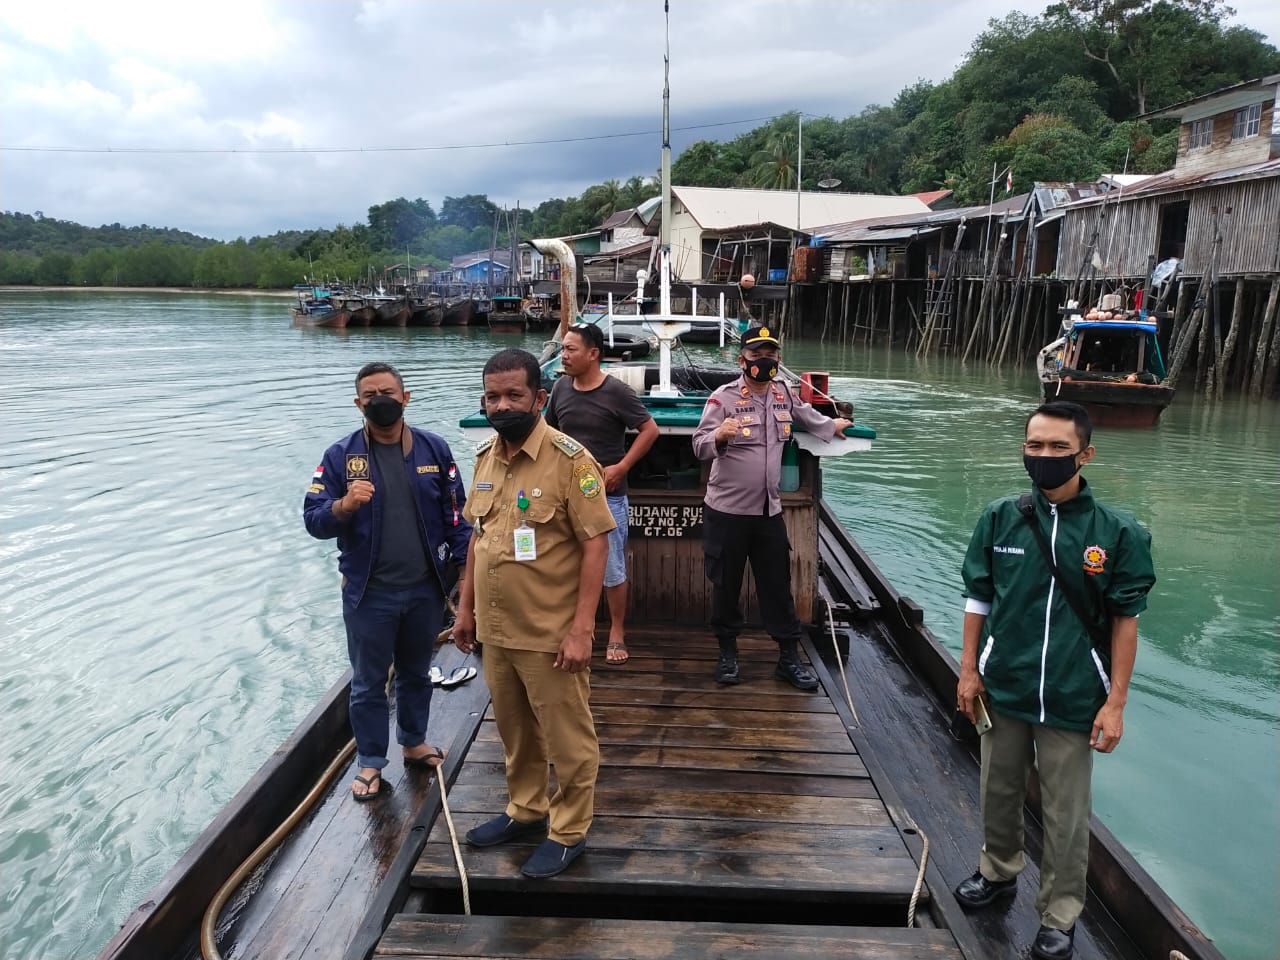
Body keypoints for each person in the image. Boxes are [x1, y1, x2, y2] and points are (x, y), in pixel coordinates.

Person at [954, 400, 1155, 960]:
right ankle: (997, 873)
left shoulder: (1116, 532)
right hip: (1005, 683)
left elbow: (1125, 623)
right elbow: (978, 598)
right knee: (998, 787)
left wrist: (1115, 704)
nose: (1043, 456)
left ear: (1084, 454)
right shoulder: (1000, 517)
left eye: (1058, 447)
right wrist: (968, 670)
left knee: (1067, 812)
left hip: (1072, 692)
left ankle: (1060, 913)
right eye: (1034, 445)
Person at [453, 348, 617, 879]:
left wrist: (582, 630)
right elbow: (479, 542)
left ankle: (569, 831)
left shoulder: (572, 462)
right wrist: (465, 610)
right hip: (498, 632)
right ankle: (526, 809)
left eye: (513, 396)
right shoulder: (484, 459)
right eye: (493, 397)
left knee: (569, 738)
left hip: (550, 633)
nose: (502, 406)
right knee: (515, 732)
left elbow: (597, 545)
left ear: (539, 398)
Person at [303, 362, 472, 801]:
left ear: (406, 397)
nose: (380, 400)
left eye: (388, 392)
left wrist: (463, 577)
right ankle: (370, 762)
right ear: (358, 403)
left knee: (416, 672)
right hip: (368, 592)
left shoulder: (434, 450)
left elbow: (458, 517)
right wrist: (343, 505)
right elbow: (314, 520)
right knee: (367, 682)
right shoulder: (340, 457)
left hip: (424, 589)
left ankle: (414, 742)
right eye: (370, 394)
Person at [691, 325, 852, 689]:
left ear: (778, 359)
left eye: (770, 354)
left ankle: (788, 657)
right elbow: (699, 445)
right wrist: (718, 435)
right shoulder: (723, 398)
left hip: (769, 512)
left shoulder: (783, 393)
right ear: (742, 360)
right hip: (728, 513)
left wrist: (834, 425)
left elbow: (807, 416)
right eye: (755, 355)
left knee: (777, 586)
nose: (763, 361)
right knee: (725, 586)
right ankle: (728, 652)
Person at [546, 321, 659, 665]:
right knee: (563, 564)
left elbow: (649, 429)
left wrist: (622, 467)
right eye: (563, 349)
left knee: (612, 568)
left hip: (607, 496)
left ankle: (616, 631)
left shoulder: (617, 392)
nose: (563, 356)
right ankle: (573, 627)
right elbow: (548, 433)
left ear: (593, 354)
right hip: (565, 496)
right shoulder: (560, 389)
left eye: (570, 350)